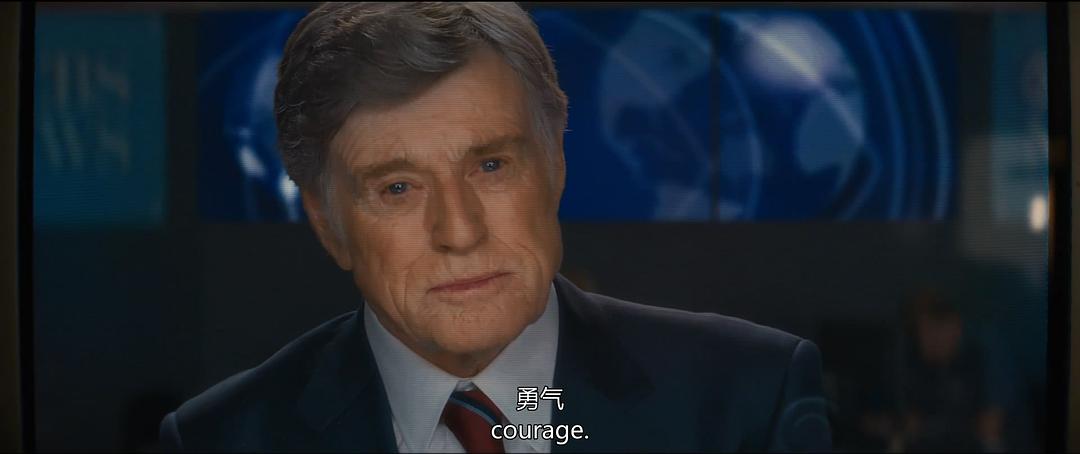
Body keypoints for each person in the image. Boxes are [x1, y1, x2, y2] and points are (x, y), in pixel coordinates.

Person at [159, 3, 831, 452]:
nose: (459, 231)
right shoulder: (221, 439)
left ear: (556, 164)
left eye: (490, 165)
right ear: (327, 223)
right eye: (398, 188)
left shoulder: (748, 398)